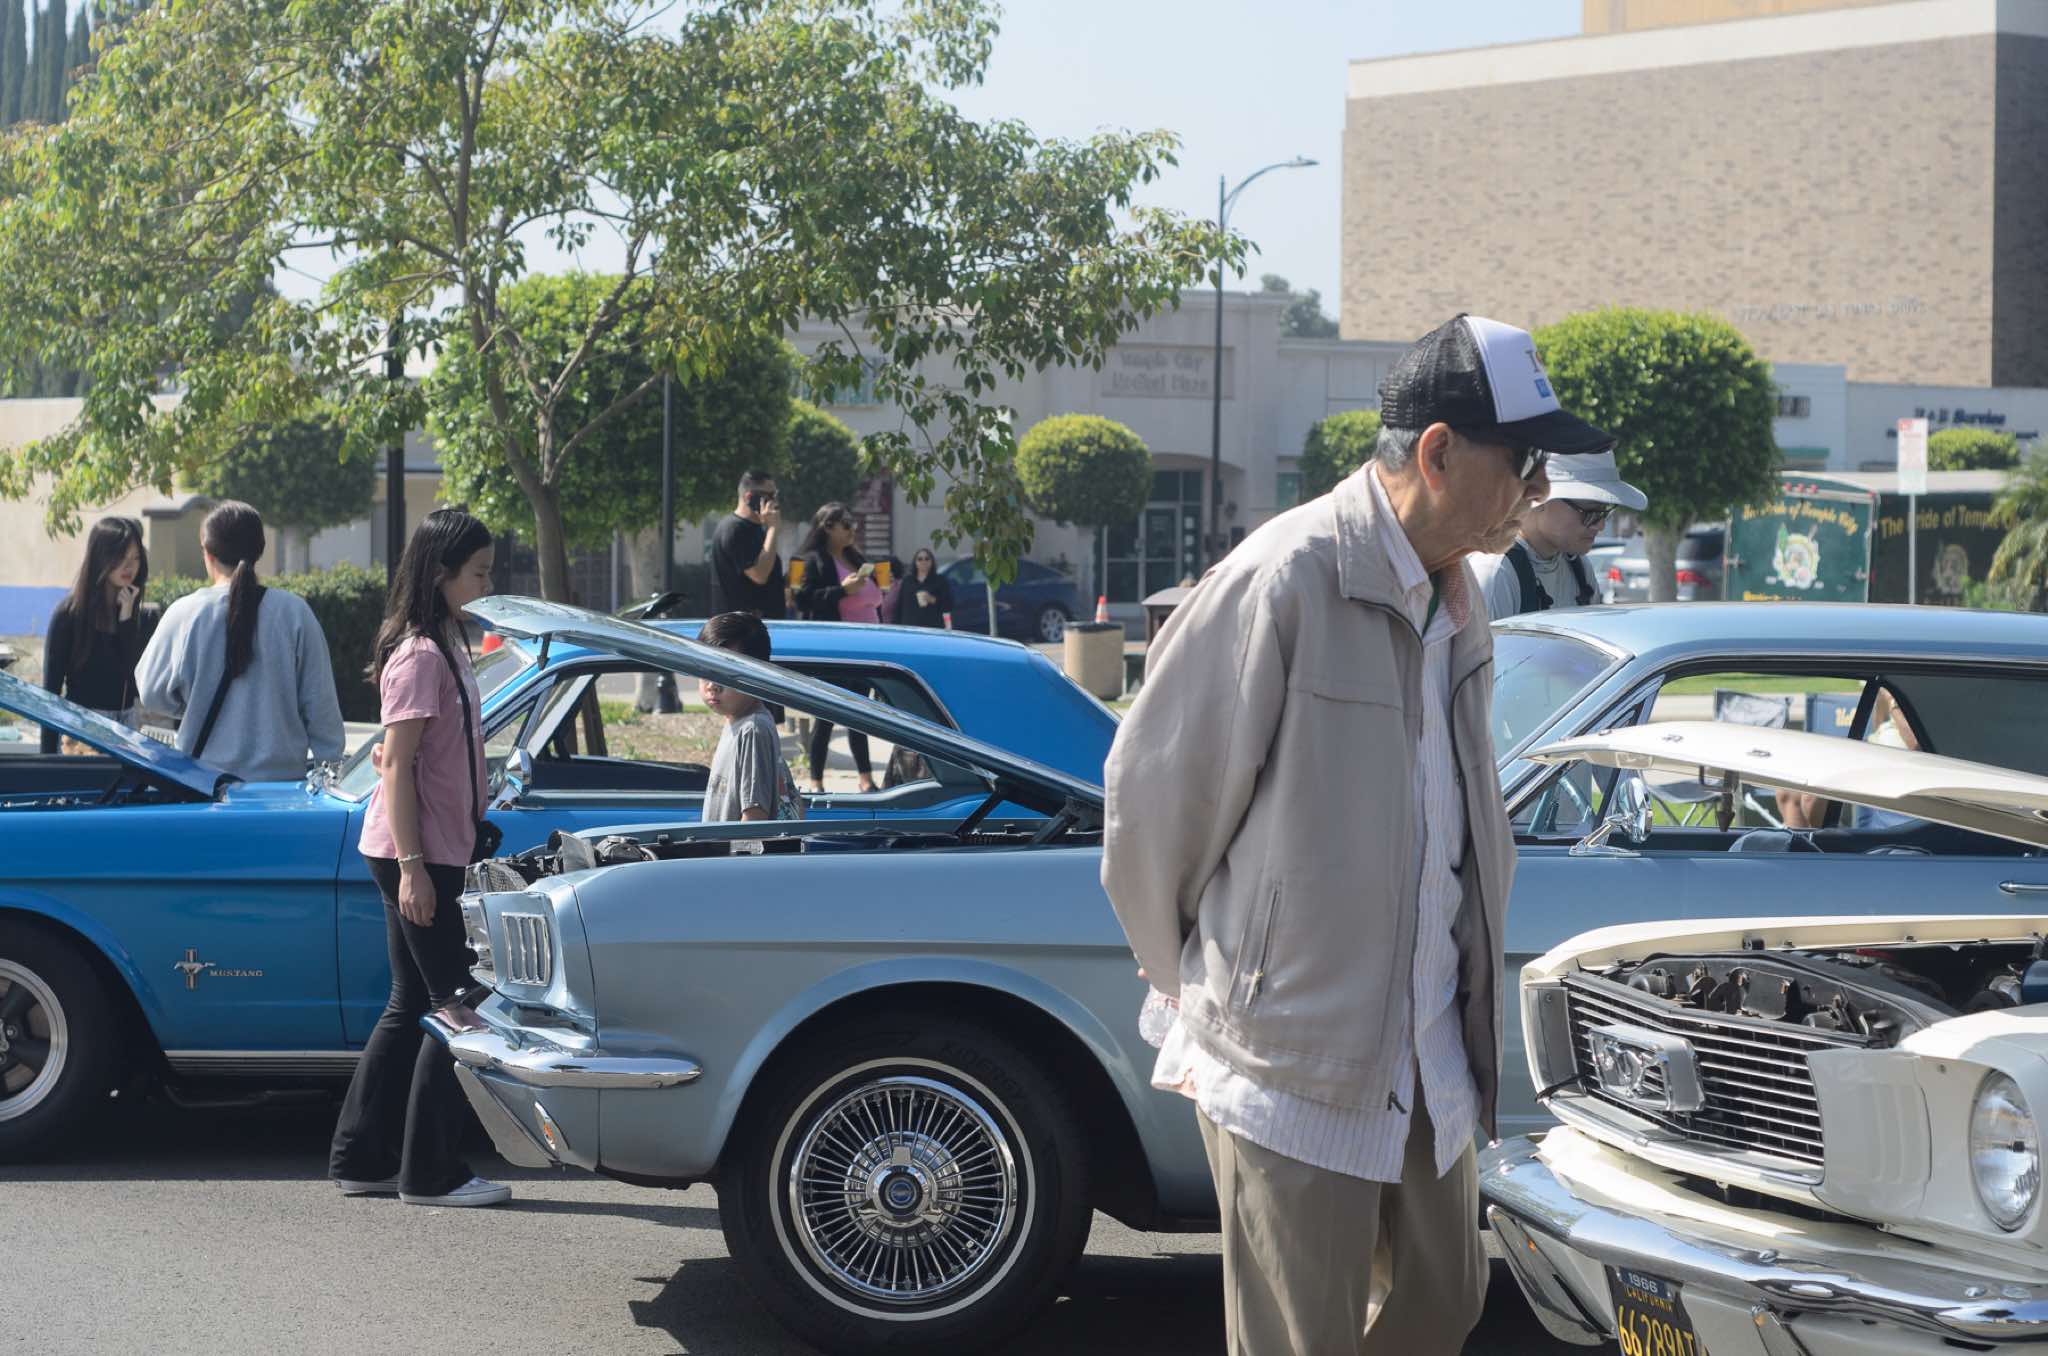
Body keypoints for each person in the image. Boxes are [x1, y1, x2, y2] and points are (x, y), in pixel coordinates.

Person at [1102, 314, 1614, 1356]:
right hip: (1291, 1059)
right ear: (1438, 451)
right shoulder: (1284, 576)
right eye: (1521, 462)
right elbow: (1152, 805)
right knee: (1303, 1338)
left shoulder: (1458, 599)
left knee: (1445, 1301)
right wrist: (1219, 982)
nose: (1535, 489)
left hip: (1427, 1048)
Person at [328, 506, 511, 1209]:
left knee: (413, 1004)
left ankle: (360, 1158)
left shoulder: (444, 646)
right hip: (416, 851)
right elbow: (397, 765)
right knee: (456, 1004)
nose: (487, 584)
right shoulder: (421, 655)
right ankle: (430, 1174)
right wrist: (411, 868)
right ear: (441, 575)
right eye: (478, 573)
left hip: (428, 846)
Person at [135, 502, 345, 781]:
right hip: (281, 788)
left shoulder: (185, 613)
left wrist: (192, 704)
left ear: (207, 552)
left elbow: (151, 693)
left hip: (201, 783)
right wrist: (329, 772)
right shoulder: (295, 613)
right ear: (260, 549)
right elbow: (321, 707)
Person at [1468, 450, 1646, 620]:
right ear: (1540, 497)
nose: (1600, 525)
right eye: (1588, 512)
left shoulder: (1579, 568)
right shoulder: (1497, 572)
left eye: (1603, 513)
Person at [39, 517, 159, 753]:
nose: (129, 566)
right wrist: (48, 760)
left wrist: (126, 622)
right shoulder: (69, 615)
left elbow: (137, 681)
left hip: (127, 732)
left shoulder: (142, 617)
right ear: (101, 557)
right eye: (121, 557)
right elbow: (50, 693)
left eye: (135, 558)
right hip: (81, 731)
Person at [791, 502, 879, 793]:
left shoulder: (855, 557)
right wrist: (842, 590)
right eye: (846, 524)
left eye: (853, 523)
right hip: (835, 647)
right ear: (827, 527)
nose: (853, 529)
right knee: (827, 716)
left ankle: (866, 779)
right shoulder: (810, 560)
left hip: (866, 647)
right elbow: (801, 600)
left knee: (860, 715)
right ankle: (816, 782)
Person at [696, 611, 804, 824]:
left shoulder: (753, 730)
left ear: (757, 674)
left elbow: (754, 819)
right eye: (705, 669)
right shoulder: (736, 720)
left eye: (725, 672)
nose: (712, 685)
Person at [708, 469, 786, 617]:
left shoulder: (757, 529)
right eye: (768, 496)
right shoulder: (734, 529)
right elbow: (759, 575)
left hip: (762, 622)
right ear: (749, 497)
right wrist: (773, 529)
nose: (774, 502)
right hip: (740, 625)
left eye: (775, 495)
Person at [894, 548, 954, 629]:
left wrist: (933, 599)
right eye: (920, 559)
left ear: (932, 562)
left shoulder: (940, 580)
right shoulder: (907, 581)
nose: (923, 561)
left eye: (927, 559)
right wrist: (896, 626)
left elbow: (948, 606)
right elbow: (899, 606)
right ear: (915, 562)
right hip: (910, 627)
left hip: (932, 627)